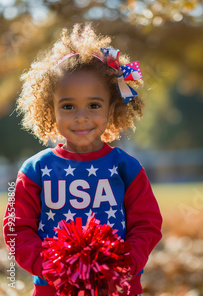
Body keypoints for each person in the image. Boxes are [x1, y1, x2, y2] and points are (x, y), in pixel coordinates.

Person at [2, 24, 162, 295]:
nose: (81, 117)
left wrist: (127, 263)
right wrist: (49, 266)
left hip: (116, 285)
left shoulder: (127, 168)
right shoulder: (35, 170)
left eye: (94, 105)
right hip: (55, 287)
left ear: (112, 108)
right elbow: (17, 228)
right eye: (67, 106)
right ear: (49, 109)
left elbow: (146, 224)